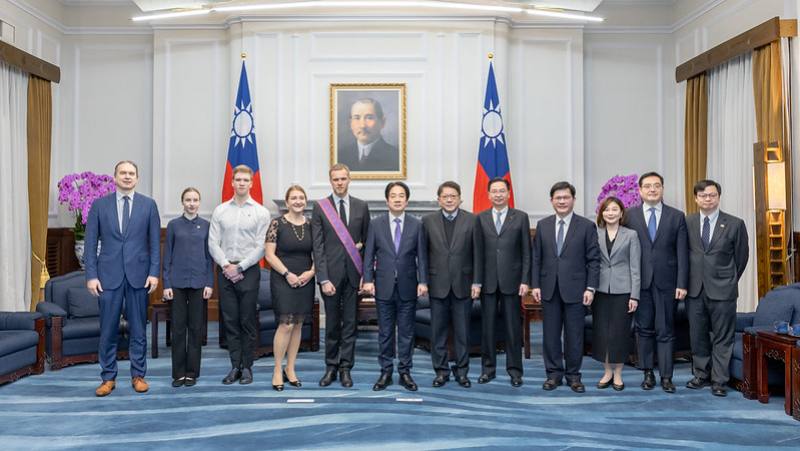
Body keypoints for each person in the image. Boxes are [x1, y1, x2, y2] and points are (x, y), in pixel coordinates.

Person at [84, 160, 160, 397]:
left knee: (138, 329)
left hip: (139, 276)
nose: (127, 177)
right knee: (107, 330)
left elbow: (155, 243)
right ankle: (108, 378)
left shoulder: (149, 205)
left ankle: (138, 375)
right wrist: (91, 276)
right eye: (123, 173)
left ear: (137, 178)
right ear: (115, 177)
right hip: (107, 277)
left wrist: (154, 273)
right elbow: (90, 244)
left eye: (131, 173)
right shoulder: (99, 205)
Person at [531, 181, 600, 393]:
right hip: (549, 288)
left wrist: (591, 288)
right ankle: (553, 375)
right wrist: (535, 285)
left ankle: (573, 376)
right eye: (558, 198)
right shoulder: (543, 225)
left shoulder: (587, 226)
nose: (562, 201)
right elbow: (536, 258)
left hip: (577, 290)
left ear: (573, 200)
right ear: (552, 201)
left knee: (574, 335)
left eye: (566, 197)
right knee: (550, 335)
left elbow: (594, 260)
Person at [625, 171, 688, 393]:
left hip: (667, 282)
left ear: (662, 189)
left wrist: (682, 283)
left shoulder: (676, 216)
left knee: (666, 329)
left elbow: (682, 253)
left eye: (657, 185)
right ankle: (647, 373)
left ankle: (667, 376)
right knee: (644, 330)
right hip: (639, 283)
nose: (652, 189)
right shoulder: (629, 216)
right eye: (648, 186)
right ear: (640, 190)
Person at [685, 179, 749, 397]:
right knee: (698, 334)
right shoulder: (688, 222)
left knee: (723, 336)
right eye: (702, 195)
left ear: (719, 197)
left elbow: (741, 257)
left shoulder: (734, 223)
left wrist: (729, 278)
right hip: (694, 289)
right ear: (696, 199)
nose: (707, 199)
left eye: (712, 195)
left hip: (723, 290)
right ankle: (701, 374)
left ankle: (719, 380)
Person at [362, 181, 428, 391]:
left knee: (407, 332)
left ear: (406, 200)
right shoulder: (376, 223)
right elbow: (369, 254)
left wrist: (423, 281)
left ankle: (405, 372)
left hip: (409, 286)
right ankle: (386, 372)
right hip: (383, 286)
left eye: (401, 196)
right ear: (387, 200)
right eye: (393, 195)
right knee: (385, 332)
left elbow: (422, 256)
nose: (398, 199)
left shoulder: (417, 224)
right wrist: (368, 280)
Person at [208, 165, 270, 385]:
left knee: (247, 320)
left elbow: (261, 246)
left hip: (249, 271)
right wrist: (226, 265)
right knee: (230, 321)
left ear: (251, 183)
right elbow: (213, 243)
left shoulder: (261, 212)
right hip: (225, 270)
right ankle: (235, 366)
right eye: (238, 180)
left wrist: (241, 267)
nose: (242, 183)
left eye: (246, 180)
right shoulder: (220, 211)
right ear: (232, 183)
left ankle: (247, 367)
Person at [312, 163, 371, 387]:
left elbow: (367, 243)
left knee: (350, 325)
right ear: (331, 181)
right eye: (335, 179)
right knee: (333, 325)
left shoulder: (361, 206)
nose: (339, 183)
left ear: (349, 179)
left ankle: (346, 367)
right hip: (331, 278)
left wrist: (367, 276)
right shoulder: (320, 207)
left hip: (354, 276)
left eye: (343, 179)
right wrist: (323, 278)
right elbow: (318, 247)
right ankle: (331, 367)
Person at [422, 181, 483, 388]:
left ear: (460, 198)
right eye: (445, 196)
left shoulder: (472, 220)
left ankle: (462, 371)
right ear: (438, 199)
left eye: (453, 196)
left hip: (463, 285)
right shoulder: (427, 221)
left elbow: (478, 254)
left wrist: (477, 282)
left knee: (462, 332)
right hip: (437, 284)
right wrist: (423, 280)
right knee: (437, 332)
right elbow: (423, 254)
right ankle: (441, 371)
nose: (449, 199)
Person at [476, 177, 530, 387]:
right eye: (494, 191)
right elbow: (477, 253)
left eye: (502, 191)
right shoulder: (479, 218)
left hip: (513, 281)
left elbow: (527, 252)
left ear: (508, 194)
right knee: (487, 328)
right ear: (488, 195)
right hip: (488, 282)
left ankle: (515, 371)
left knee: (512, 328)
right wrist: (477, 282)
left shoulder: (521, 218)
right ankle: (487, 370)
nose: (498, 195)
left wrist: (526, 280)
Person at [264, 185, 315, 392]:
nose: (298, 201)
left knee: (298, 324)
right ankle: (277, 369)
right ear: (287, 202)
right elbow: (269, 255)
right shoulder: (277, 223)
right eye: (293, 198)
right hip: (283, 278)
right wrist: (287, 274)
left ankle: (290, 368)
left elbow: (319, 253)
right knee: (286, 324)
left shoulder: (312, 225)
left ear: (305, 201)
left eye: (301, 198)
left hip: (305, 279)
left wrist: (311, 272)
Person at [163, 187, 214, 388]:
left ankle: (192, 372)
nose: (191, 203)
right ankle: (178, 373)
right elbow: (167, 257)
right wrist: (166, 283)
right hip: (176, 284)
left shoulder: (206, 226)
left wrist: (209, 282)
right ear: (182, 202)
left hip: (199, 284)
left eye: (195, 200)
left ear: (199, 202)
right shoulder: (174, 225)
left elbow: (210, 258)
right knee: (177, 329)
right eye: (188, 200)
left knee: (195, 329)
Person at [592, 196, 640, 391]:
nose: (610, 213)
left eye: (614, 209)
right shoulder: (595, 233)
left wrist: (634, 295)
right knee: (602, 332)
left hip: (623, 290)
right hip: (600, 290)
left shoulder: (631, 235)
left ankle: (618, 373)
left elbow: (635, 267)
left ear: (621, 213)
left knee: (619, 333)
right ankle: (607, 372)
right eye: (606, 210)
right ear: (601, 213)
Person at [338, 98, 399, 172]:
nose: (362, 125)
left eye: (369, 118)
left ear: (382, 122)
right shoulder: (341, 155)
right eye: (357, 118)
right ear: (350, 123)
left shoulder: (395, 156)